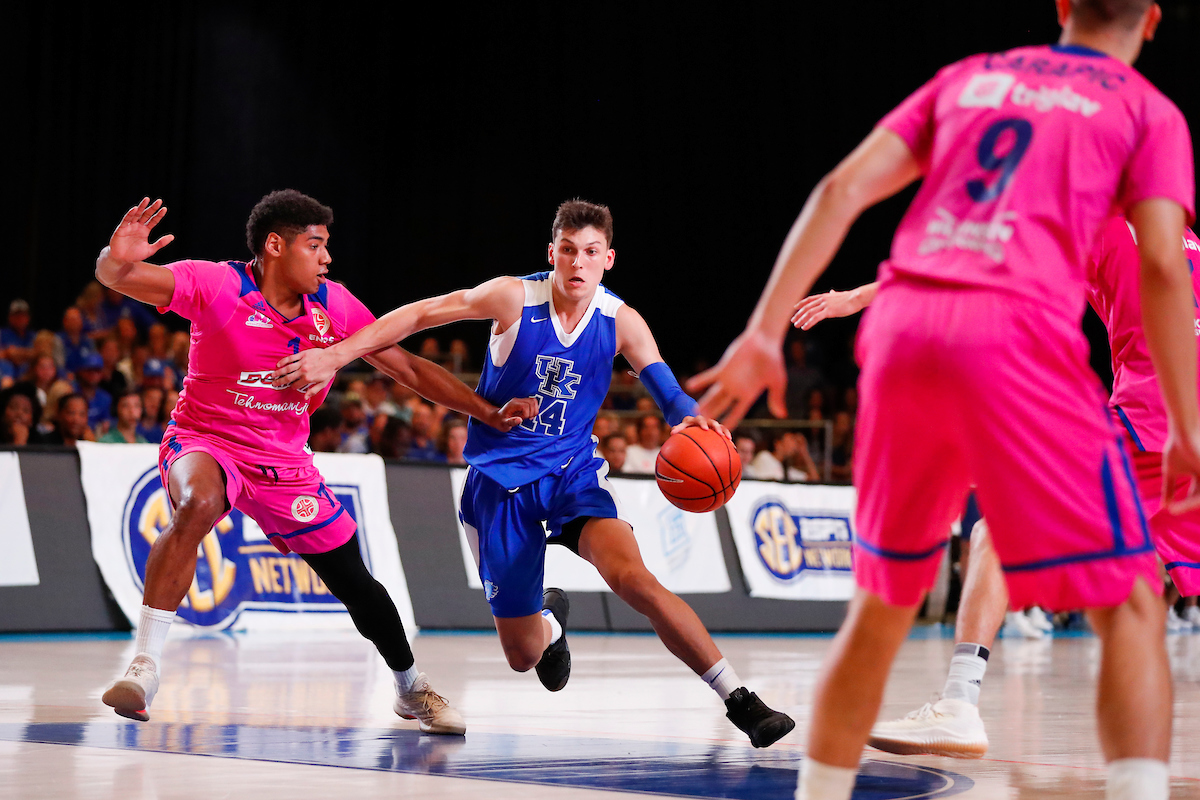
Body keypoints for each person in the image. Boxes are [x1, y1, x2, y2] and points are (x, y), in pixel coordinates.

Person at [687, 2, 1197, 798]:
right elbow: (1162, 268)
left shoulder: (973, 76)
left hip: (905, 333)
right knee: (1131, 603)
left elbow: (839, 187)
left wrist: (761, 330)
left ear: (1061, 7)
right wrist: (1188, 426)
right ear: (1153, 22)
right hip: (1019, 338)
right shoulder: (1144, 111)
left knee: (881, 606)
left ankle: (856, 766)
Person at [271, 198, 796, 748]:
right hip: (499, 486)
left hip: (573, 475)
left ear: (608, 259)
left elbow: (669, 393)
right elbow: (424, 313)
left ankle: (742, 701)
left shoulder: (622, 322)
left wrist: (693, 421)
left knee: (634, 579)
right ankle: (552, 621)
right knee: (523, 656)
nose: (577, 263)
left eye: (590, 253)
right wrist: (338, 354)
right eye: (567, 250)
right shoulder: (514, 297)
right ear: (552, 252)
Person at [93, 192, 536, 735]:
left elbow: (410, 370)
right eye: (316, 244)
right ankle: (145, 666)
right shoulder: (217, 285)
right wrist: (116, 261)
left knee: (354, 580)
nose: (327, 257)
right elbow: (122, 278)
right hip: (205, 439)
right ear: (275, 246)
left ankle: (409, 686)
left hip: (284, 462)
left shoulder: (337, 308)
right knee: (198, 502)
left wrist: (487, 412)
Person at [800, 213, 1200, 756]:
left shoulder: (1094, 224)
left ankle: (959, 706)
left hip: (1155, 419)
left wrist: (859, 298)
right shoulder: (1187, 239)